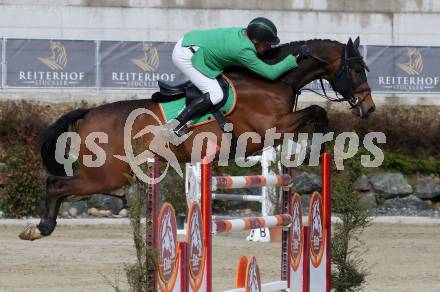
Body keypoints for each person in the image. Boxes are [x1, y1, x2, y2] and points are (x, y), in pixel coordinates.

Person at [161, 17, 301, 143]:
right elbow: (270, 74)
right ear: (256, 41)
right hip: (186, 55)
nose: (270, 47)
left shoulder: (244, 33)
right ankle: (173, 127)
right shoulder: (243, 50)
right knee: (216, 94)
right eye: (268, 44)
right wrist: (291, 60)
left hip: (193, 43)